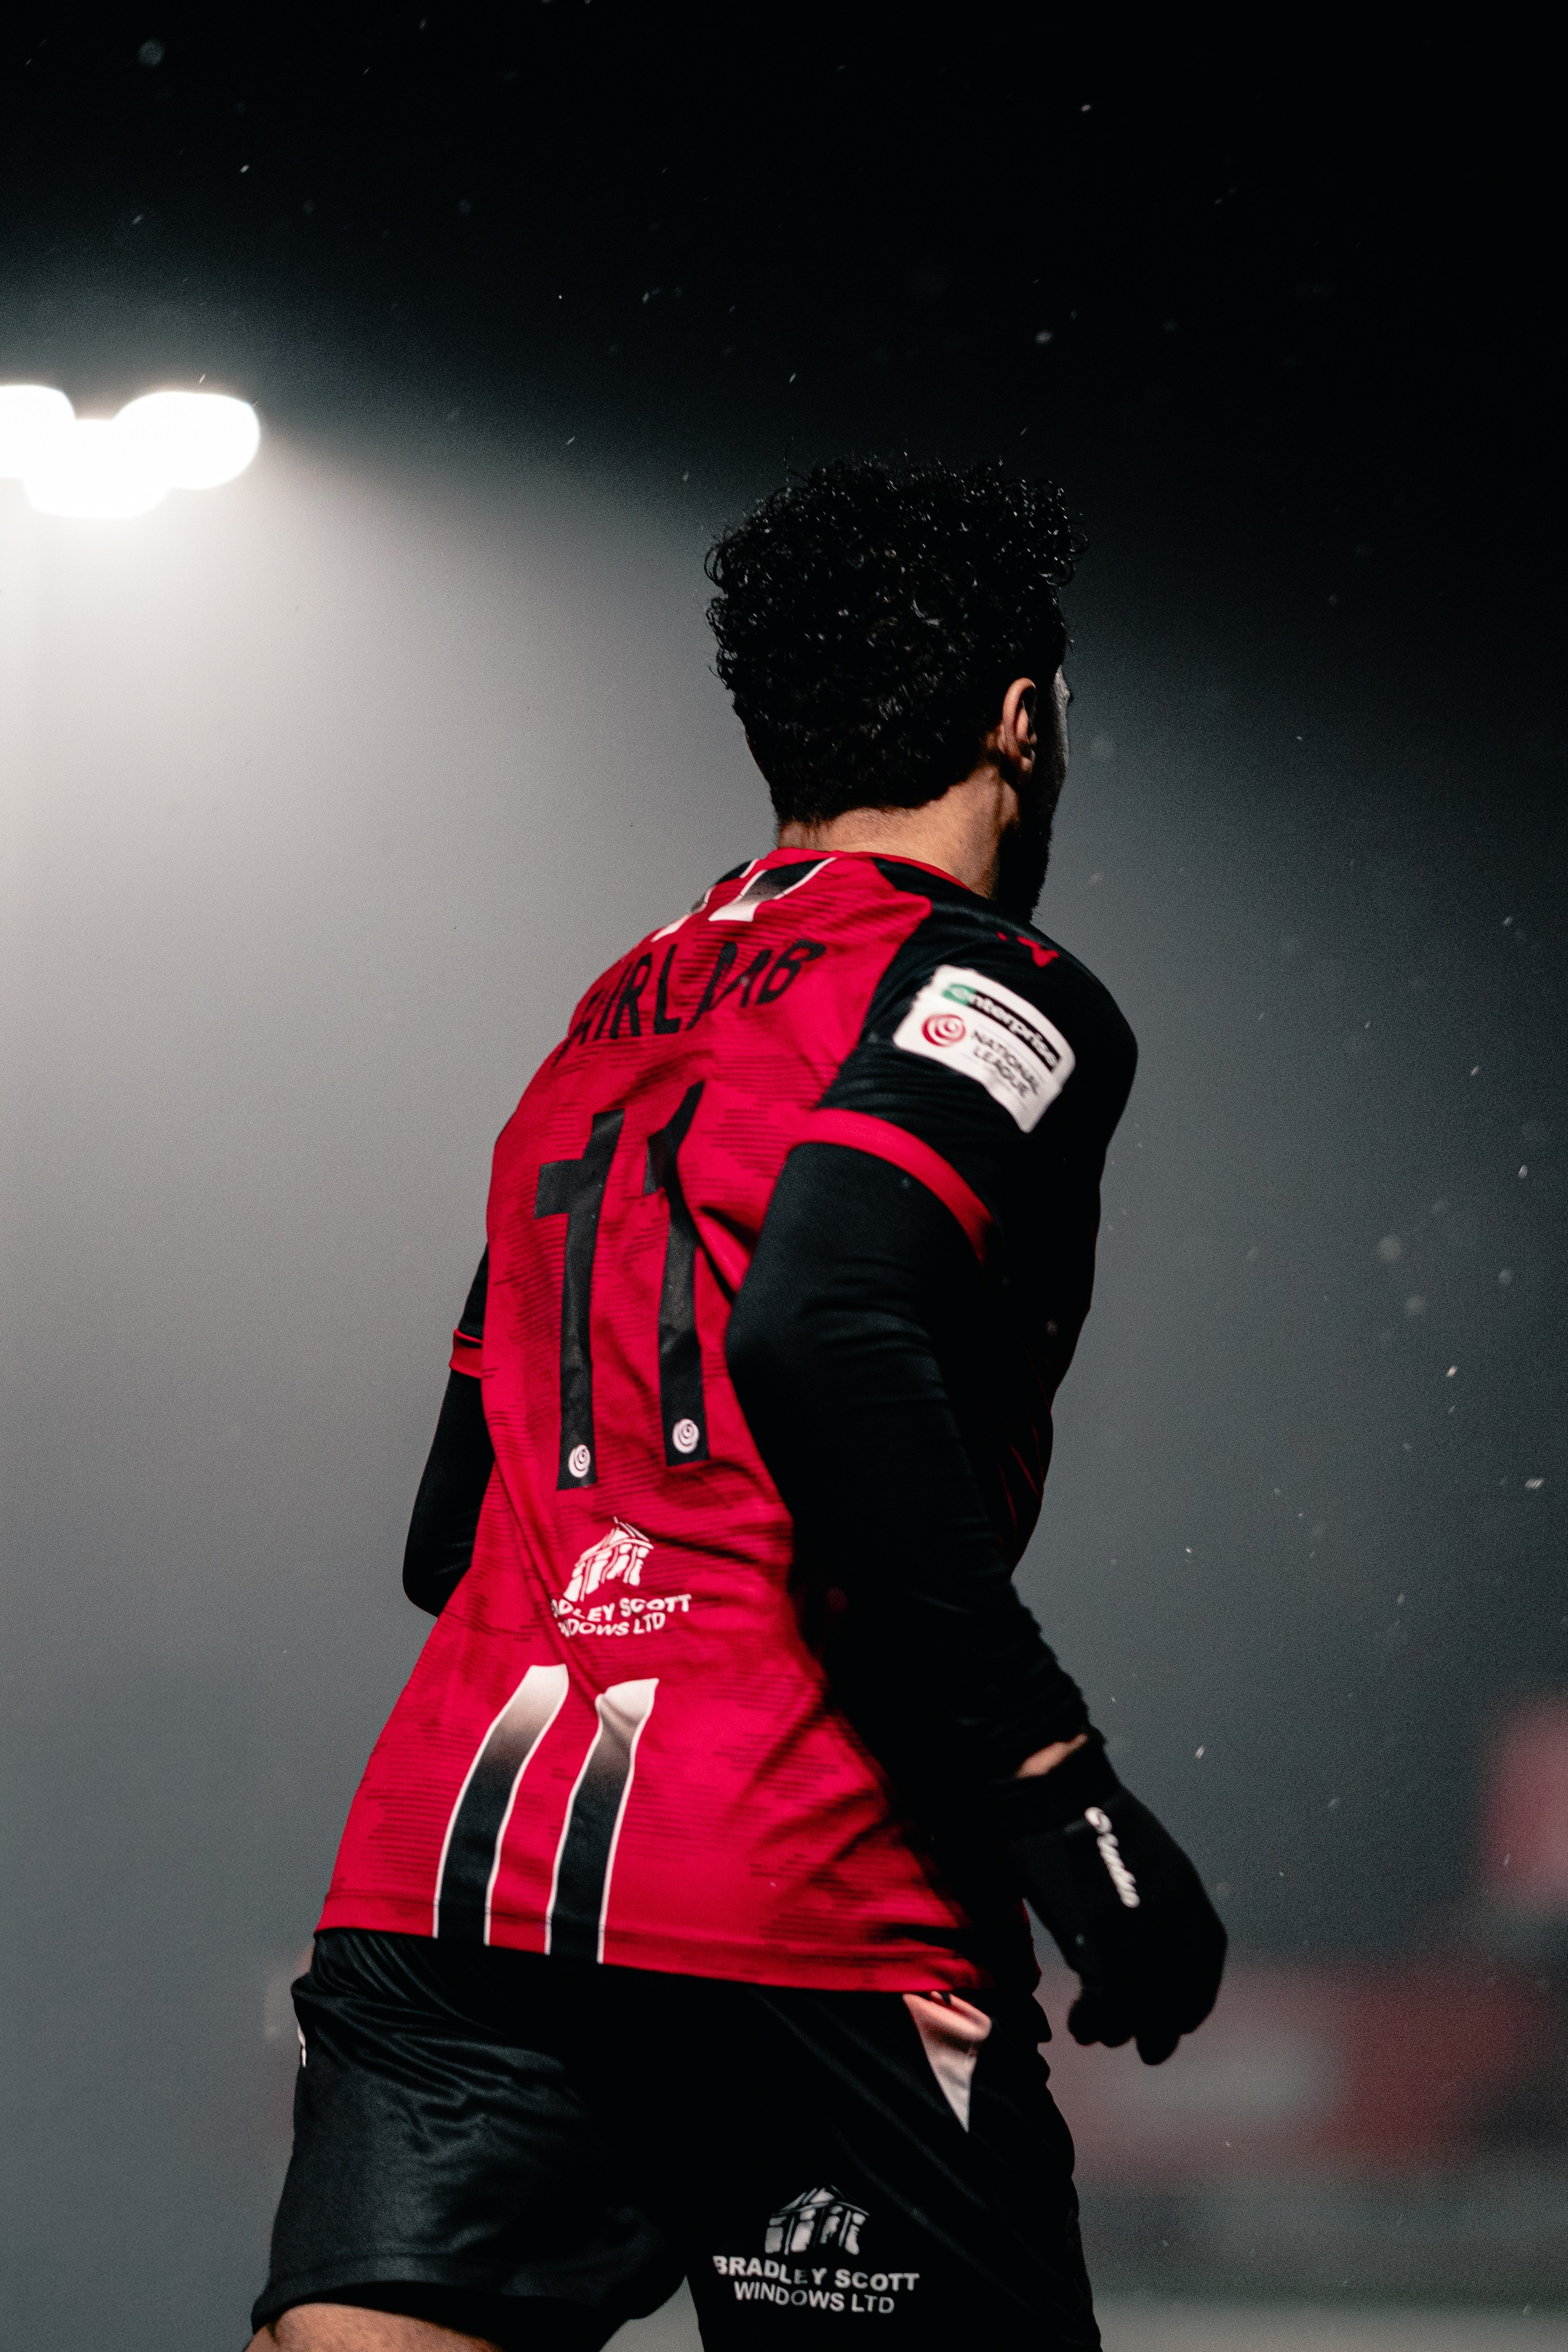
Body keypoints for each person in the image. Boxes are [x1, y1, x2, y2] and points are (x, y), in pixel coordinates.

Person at [247, 458, 1225, 2352]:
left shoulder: (612, 1010)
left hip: (453, 1874)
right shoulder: (993, 986)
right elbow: (824, 1322)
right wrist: (1059, 1791)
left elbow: (453, 1521)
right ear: (1024, 724)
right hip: (793, 1871)